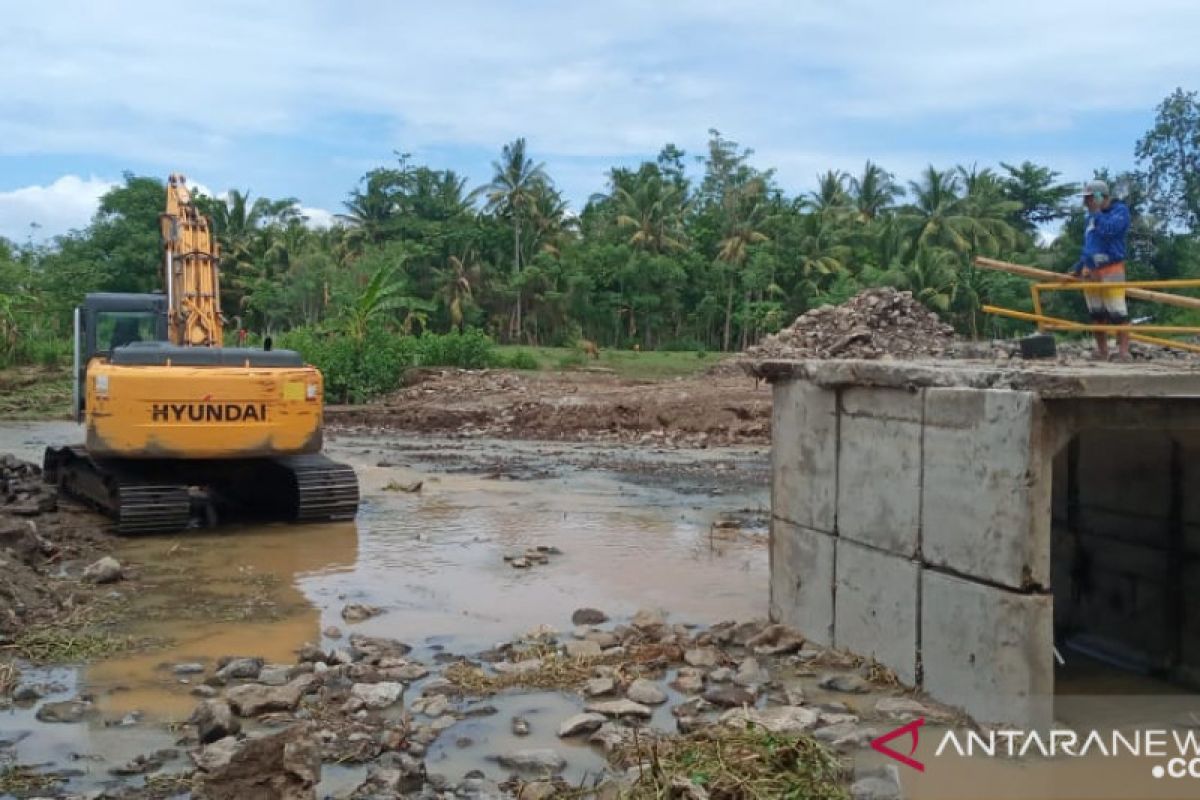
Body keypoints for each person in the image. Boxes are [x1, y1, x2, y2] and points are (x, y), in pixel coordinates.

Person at [1070, 179, 1132, 361]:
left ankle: (1123, 352)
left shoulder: (1119, 212)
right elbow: (1089, 246)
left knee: (1118, 313)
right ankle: (1102, 351)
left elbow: (1109, 231)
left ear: (1099, 197)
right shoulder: (1090, 218)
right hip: (1090, 271)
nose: (1085, 203)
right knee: (1096, 314)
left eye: (1089, 198)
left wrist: (1097, 212)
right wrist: (1079, 267)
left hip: (1111, 268)